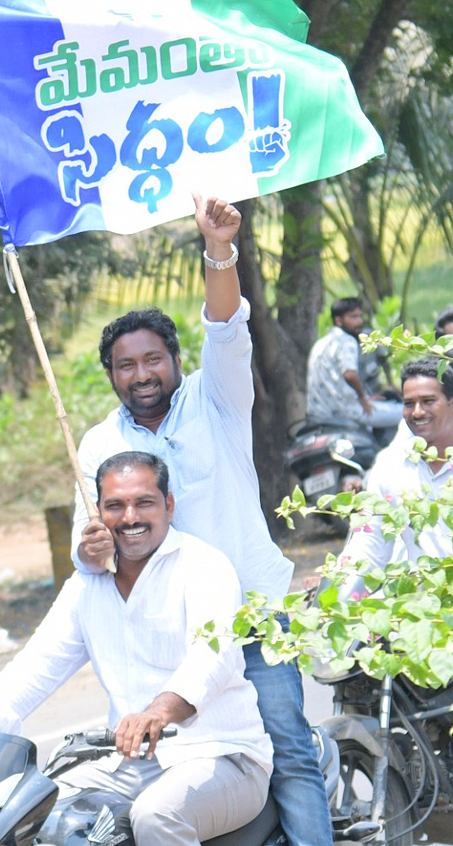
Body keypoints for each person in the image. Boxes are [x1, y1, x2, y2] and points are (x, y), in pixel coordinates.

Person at [71, 195, 332, 846]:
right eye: (126, 365)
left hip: (252, 617)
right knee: (168, 785)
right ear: (110, 375)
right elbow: (106, 555)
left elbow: (226, 326)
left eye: (152, 359)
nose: (142, 374)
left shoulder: (218, 396)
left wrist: (219, 248)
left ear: (175, 359)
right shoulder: (98, 446)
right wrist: (91, 549)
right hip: (170, 638)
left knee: (290, 757)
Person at [0, 452, 273, 846]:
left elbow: (213, 658)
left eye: (145, 503)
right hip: (130, 764)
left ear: (169, 506)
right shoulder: (87, 586)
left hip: (222, 756)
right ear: (98, 514)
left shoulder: (205, 566)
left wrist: (156, 713)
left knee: (156, 817)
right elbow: (34, 667)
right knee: (29, 811)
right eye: (115, 506)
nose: (130, 517)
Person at [340, 356, 453, 570]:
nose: (417, 412)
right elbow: (369, 546)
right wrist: (334, 580)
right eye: (409, 403)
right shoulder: (390, 465)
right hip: (416, 599)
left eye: (428, 401)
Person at [306, 296, 402, 431]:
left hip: (321, 414)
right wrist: (362, 398)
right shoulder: (347, 340)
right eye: (353, 317)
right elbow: (349, 374)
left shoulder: (322, 342)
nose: (360, 322)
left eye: (360, 316)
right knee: (406, 413)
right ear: (339, 320)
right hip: (348, 412)